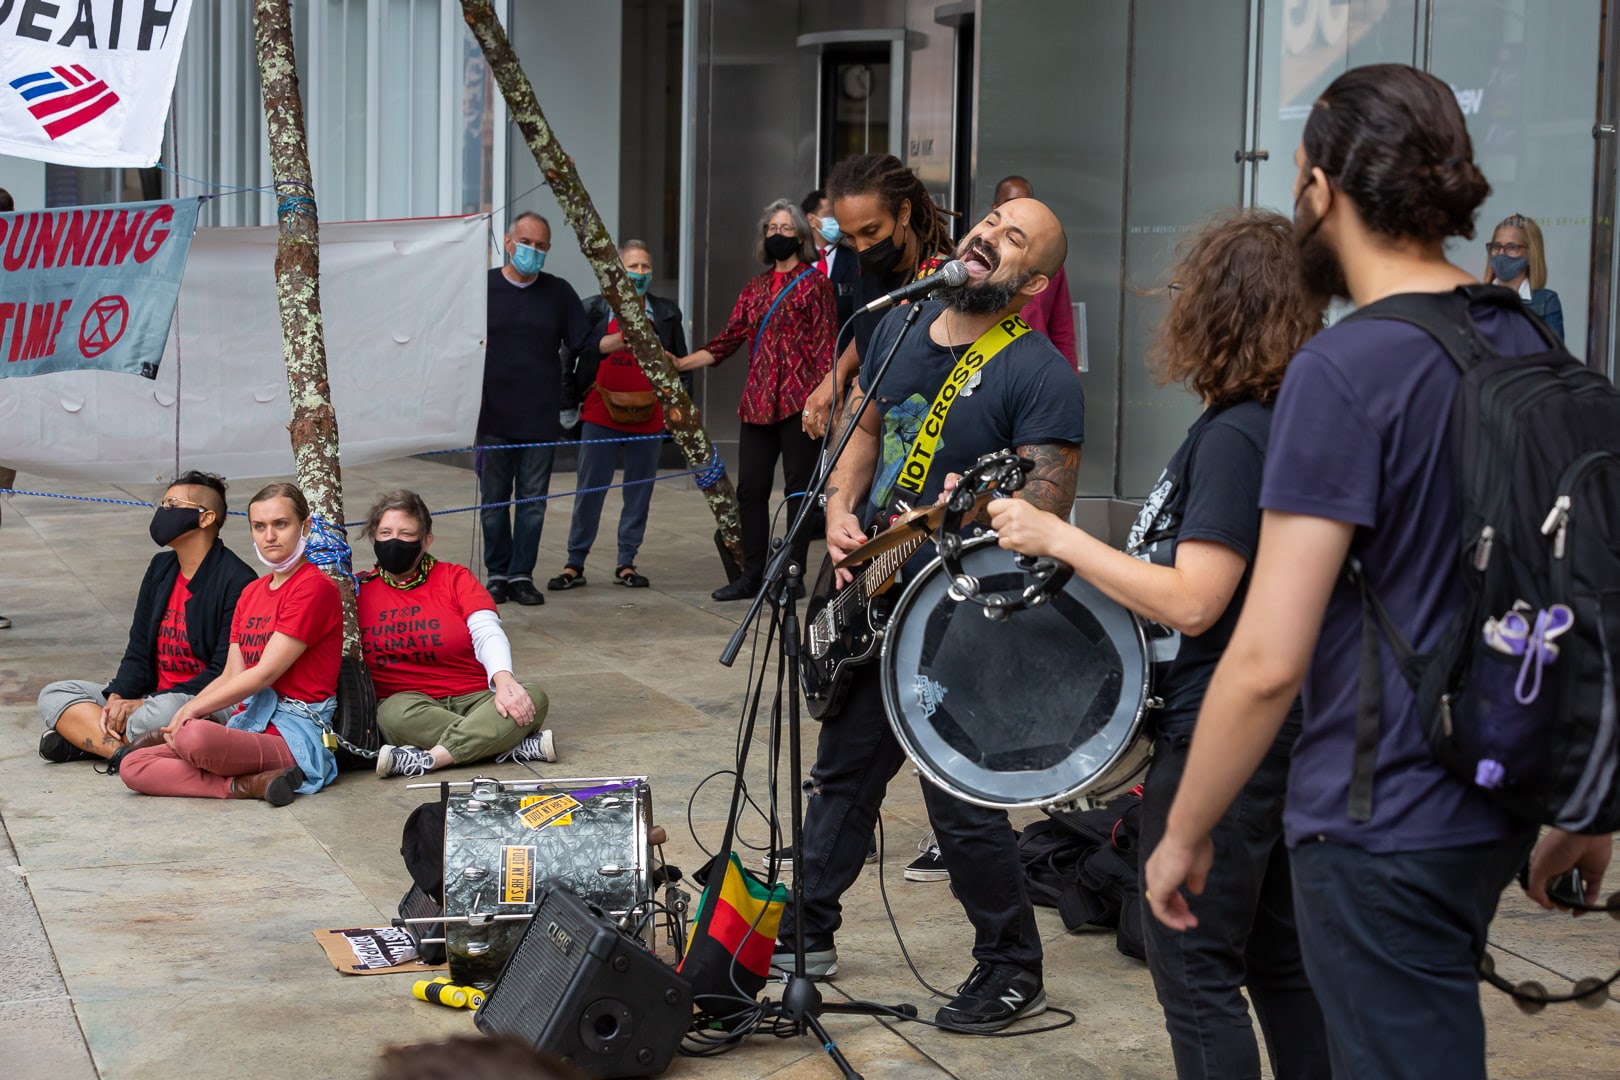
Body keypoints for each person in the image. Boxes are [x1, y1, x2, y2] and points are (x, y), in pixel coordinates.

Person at [1143, 64, 1612, 1079]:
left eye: (1303, 179)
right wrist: (1581, 804)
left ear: (1323, 188)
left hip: (1380, 813)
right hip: (1495, 796)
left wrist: (1184, 830)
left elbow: (1267, 657)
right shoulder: (1528, 340)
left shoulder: (1345, 371)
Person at [988, 211, 1329, 1079]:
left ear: (1223, 308)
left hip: (1227, 737)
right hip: (1266, 738)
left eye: (1185, 293)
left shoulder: (1238, 435)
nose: (1173, 309)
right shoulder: (1256, 421)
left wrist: (1057, 537)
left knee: (1194, 963)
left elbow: (1196, 599)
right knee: (1276, 959)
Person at [775, 196, 1085, 1033]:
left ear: (1035, 282)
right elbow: (862, 429)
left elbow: (1046, 510)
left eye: (1014, 238)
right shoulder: (900, 328)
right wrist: (842, 509)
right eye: (990, 222)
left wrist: (972, 516)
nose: (989, 235)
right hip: (871, 589)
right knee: (845, 770)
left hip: (962, 617)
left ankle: (1013, 966)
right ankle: (808, 930)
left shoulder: (1039, 373)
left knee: (959, 796)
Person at [120, 482, 342, 806]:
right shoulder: (252, 592)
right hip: (248, 724)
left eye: (281, 524)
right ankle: (246, 785)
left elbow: (264, 675)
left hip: (293, 733)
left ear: (305, 526)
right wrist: (184, 712)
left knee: (193, 736)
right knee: (133, 765)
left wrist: (193, 711)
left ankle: (252, 771)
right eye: (259, 526)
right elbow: (231, 675)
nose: (270, 537)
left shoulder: (313, 588)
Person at [36, 471, 256, 766]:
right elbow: (138, 649)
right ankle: (121, 753)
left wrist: (142, 704)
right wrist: (117, 696)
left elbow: (222, 671)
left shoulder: (238, 580)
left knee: (155, 714)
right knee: (54, 694)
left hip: (201, 700)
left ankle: (86, 740)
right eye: (163, 504)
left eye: (173, 506)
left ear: (205, 518)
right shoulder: (160, 568)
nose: (163, 513)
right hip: (148, 695)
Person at [675, 199, 836, 601]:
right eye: (771, 229)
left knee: (798, 492)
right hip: (759, 402)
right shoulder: (755, 287)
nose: (778, 235)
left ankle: (793, 577)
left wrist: (825, 404)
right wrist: (681, 362)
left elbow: (827, 347)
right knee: (751, 491)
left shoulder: (816, 284)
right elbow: (727, 340)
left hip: (801, 404)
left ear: (801, 235)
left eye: (785, 228)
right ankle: (753, 575)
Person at [358, 489, 555, 778]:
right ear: (373, 536)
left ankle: (430, 759)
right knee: (390, 714)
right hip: (409, 705)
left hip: (477, 698)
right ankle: (505, 744)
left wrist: (503, 679)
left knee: (533, 697)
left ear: (426, 540)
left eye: (406, 533)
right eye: (385, 532)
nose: (394, 541)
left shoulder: (454, 577)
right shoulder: (359, 589)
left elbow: (486, 630)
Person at [548, 240, 687, 592]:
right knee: (590, 489)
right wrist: (567, 405)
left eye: (645, 267)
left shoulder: (667, 313)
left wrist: (677, 410)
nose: (639, 274)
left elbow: (681, 366)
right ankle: (574, 563)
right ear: (616, 272)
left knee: (639, 491)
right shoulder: (594, 309)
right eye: (632, 267)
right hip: (600, 412)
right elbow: (570, 355)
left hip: (650, 415)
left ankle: (626, 562)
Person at [479, 211, 592, 607]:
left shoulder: (559, 292)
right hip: (491, 415)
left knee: (532, 505)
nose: (533, 251)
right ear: (509, 242)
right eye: (527, 243)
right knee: (493, 503)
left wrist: (631, 336)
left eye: (541, 246)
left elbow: (585, 343)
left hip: (540, 417)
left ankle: (521, 575)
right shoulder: (483, 287)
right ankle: (496, 574)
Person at [800, 153, 955, 441]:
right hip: (872, 432)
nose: (861, 247)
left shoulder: (943, 279)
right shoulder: (871, 270)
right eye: (849, 237)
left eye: (871, 231)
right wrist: (836, 375)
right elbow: (870, 334)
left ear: (904, 212)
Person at [989, 176, 1077, 369]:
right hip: (987, 370)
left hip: (1037, 370)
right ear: (995, 208)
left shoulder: (1048, 264)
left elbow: (1062, 331)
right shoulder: (980, 258)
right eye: (1011, 202)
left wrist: (1069, 379)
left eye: (1026, 203)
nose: (1020, 210)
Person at [1482, 212, 1564, 340]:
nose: (1501, 254)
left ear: (1531, 254)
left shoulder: (1546, 301)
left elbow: (1553, 357)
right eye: (1496, 246)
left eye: (1512, 247)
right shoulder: (1475, 299)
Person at [803, 188, 858, 329]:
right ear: (811, 220)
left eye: (837, 216)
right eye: (829, 214)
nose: (835, 221)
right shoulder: (798, 259)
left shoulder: (854, 259)